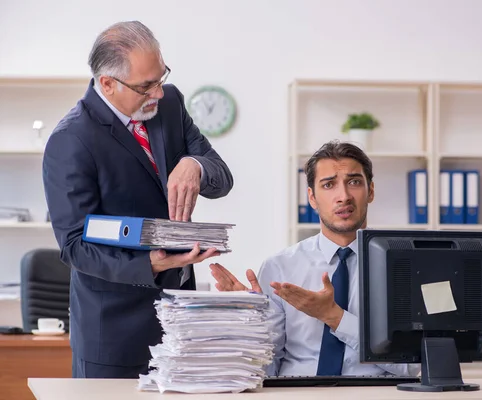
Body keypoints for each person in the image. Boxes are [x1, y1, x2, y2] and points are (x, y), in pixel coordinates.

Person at [42, 21, 234, 379]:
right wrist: (153, 263)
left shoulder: (170, 104)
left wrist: (195, 165)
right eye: (147, 86)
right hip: (114, 334)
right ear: (107, 84)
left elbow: (222, 179)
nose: (158, 93)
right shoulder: (70, 140)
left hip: (181, 323)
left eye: (161, 78)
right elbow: (74, 247)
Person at [210, 140, 419, 377]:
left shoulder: (402, 268)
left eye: (354, 182)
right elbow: (265, 371)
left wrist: (334, 317)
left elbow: (411, 367)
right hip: (297, 393)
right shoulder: (279, 268)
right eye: (329, 185)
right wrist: (249, 323)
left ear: (370, 191)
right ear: (312, 198)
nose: (343, 196)